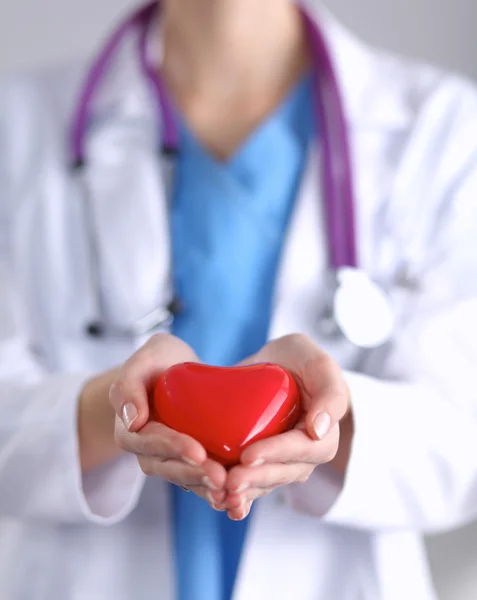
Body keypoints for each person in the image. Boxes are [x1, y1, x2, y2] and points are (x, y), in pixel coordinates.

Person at [1, 0, 477, 598]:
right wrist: (113, 407)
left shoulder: (447, 131)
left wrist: (329, 415)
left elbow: (465, 442)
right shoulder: (14, 128)